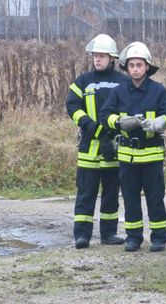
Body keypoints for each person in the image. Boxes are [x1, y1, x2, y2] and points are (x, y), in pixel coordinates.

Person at [99, 41, 166, 252]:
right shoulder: (118, 91)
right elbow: (104, 115)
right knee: (131, 199)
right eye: (131, 65)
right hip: (127, 157)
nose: (135, 69)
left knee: (155, 198)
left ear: (147, 67)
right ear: (126, 67)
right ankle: (134, 237)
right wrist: (117, 122)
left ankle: (159, 236)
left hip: (152, 156)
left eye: (139, 65)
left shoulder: (158, 90)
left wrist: (160, 123)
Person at [65, 34, 128, 249]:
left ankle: (108, 234)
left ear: (112, 58)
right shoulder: (83, 81)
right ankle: (82, 235)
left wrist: (112, 133)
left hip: (114, 147)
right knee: (86, 193)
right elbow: (72, 107)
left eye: (101, 56)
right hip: (89, 148)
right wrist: (92, 128)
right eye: (95, 56)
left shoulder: (124, 81)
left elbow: (128, 109)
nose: (97, 59)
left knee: (111, 193)